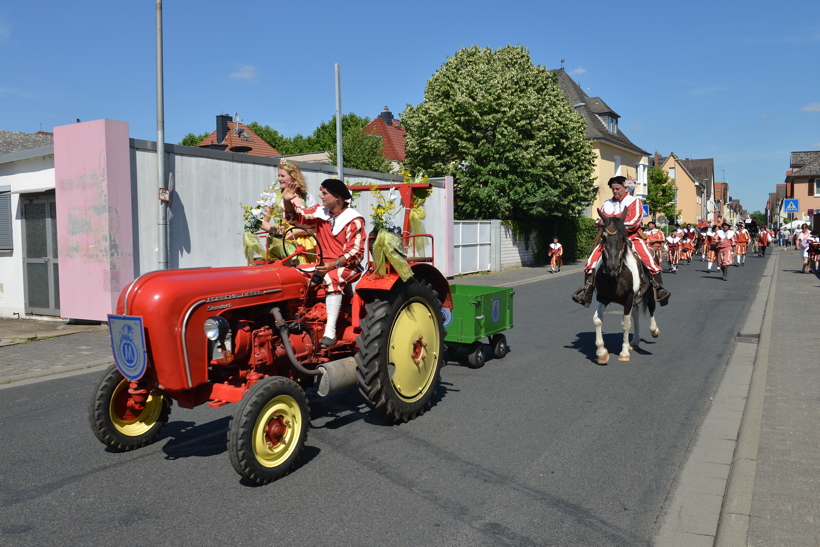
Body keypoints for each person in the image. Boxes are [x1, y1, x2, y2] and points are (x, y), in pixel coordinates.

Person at [283, 178, 366, 347]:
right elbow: (297, 216)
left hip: (347, 266)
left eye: (324, 193)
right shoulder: (321, 213)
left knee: (331, 278)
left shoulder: (354, 220)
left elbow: (356, 252)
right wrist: (287, 200)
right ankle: (296, 320)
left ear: (337, 196)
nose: (321, 197)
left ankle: (330, 331)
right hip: (323, 264)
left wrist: (333, 265)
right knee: (294, 275)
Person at [572, 176, 670, 307]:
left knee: (648, 259)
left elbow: (634, 222)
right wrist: (601, 223)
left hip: (631, 237)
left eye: (618, 188)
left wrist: (611, 223)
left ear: (625, 188)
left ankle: (659, 288)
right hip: (610, 239)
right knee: (590, 262)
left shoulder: (634, 202)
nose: (615, 191)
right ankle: (587, 292)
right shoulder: (606, 203)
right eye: (613, 189)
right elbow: (598, 221)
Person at [261, 160, 319, 263]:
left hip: (305, 235)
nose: (279, 179)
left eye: (282, 176)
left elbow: (315, 225)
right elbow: (261, 222)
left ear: (293, 177)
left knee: (320, 248)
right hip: (282, 238)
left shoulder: (307, 197)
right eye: (278, 176)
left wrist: (297, 232)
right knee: (295, 254)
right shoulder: (274, 196)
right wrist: (274, 229)